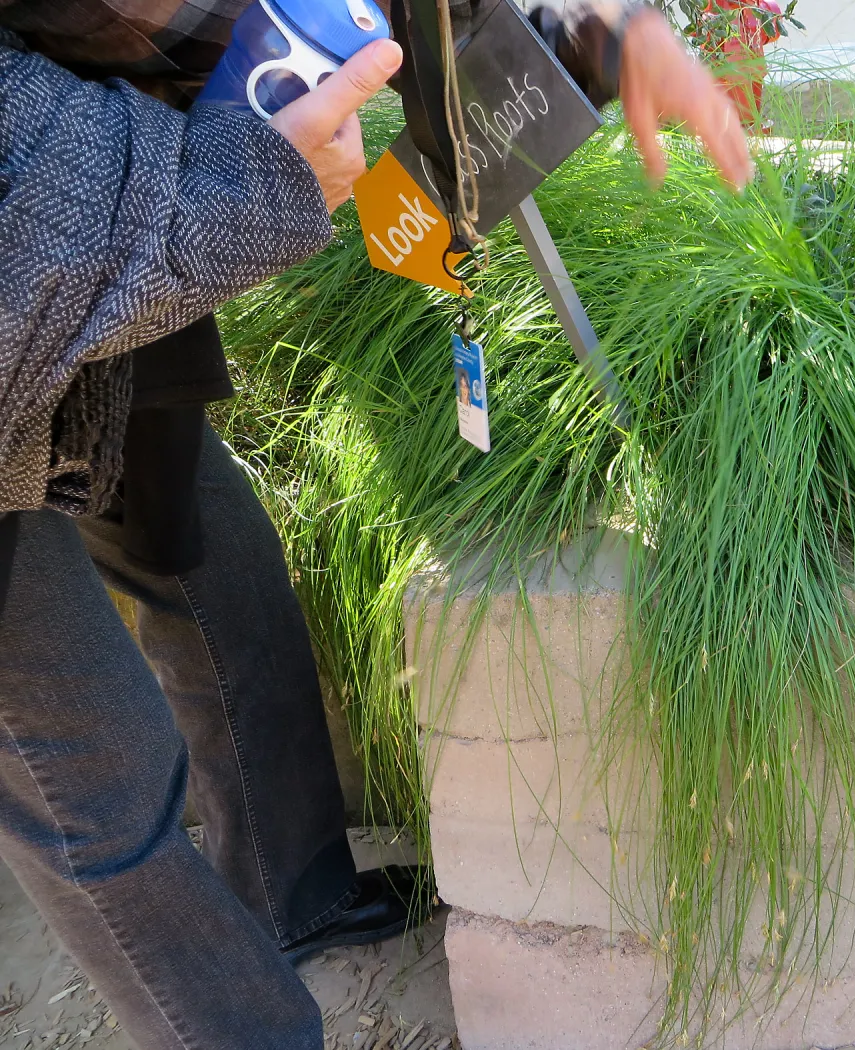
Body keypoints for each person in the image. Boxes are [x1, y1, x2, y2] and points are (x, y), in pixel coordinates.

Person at [0, 4, 750, 1049]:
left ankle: (293, 891)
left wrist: (588, 29)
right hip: (36, 299)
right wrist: (229, 186)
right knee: (97, 788)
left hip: (103, 320)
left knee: (213, 563)